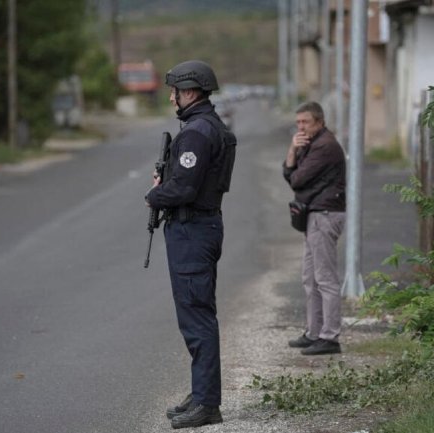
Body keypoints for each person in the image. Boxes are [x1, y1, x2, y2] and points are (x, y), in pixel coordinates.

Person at [145, 60, 236, 429]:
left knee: (197, 318)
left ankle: (207, 403)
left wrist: (154, 194)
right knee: (196, 315)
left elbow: (184, 188)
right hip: (199, 227)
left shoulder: (197, 133)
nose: (171, 98)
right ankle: (201, 394)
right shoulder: (207, 126)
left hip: (193, 230)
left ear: (191, 92)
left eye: (175, 92)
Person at [282, 101, 346, 356]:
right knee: (310, 278)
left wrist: (293, 157)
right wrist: (292, 149)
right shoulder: (309, 144)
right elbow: (290, 175)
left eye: (305, 122)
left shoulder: (325, 146)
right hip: (315, 214)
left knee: (325, 278)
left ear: (319, 122)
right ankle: (314, 332)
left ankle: (329, 337)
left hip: (325, 214)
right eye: (297, 123)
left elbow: (297, 179)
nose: (300, 127)